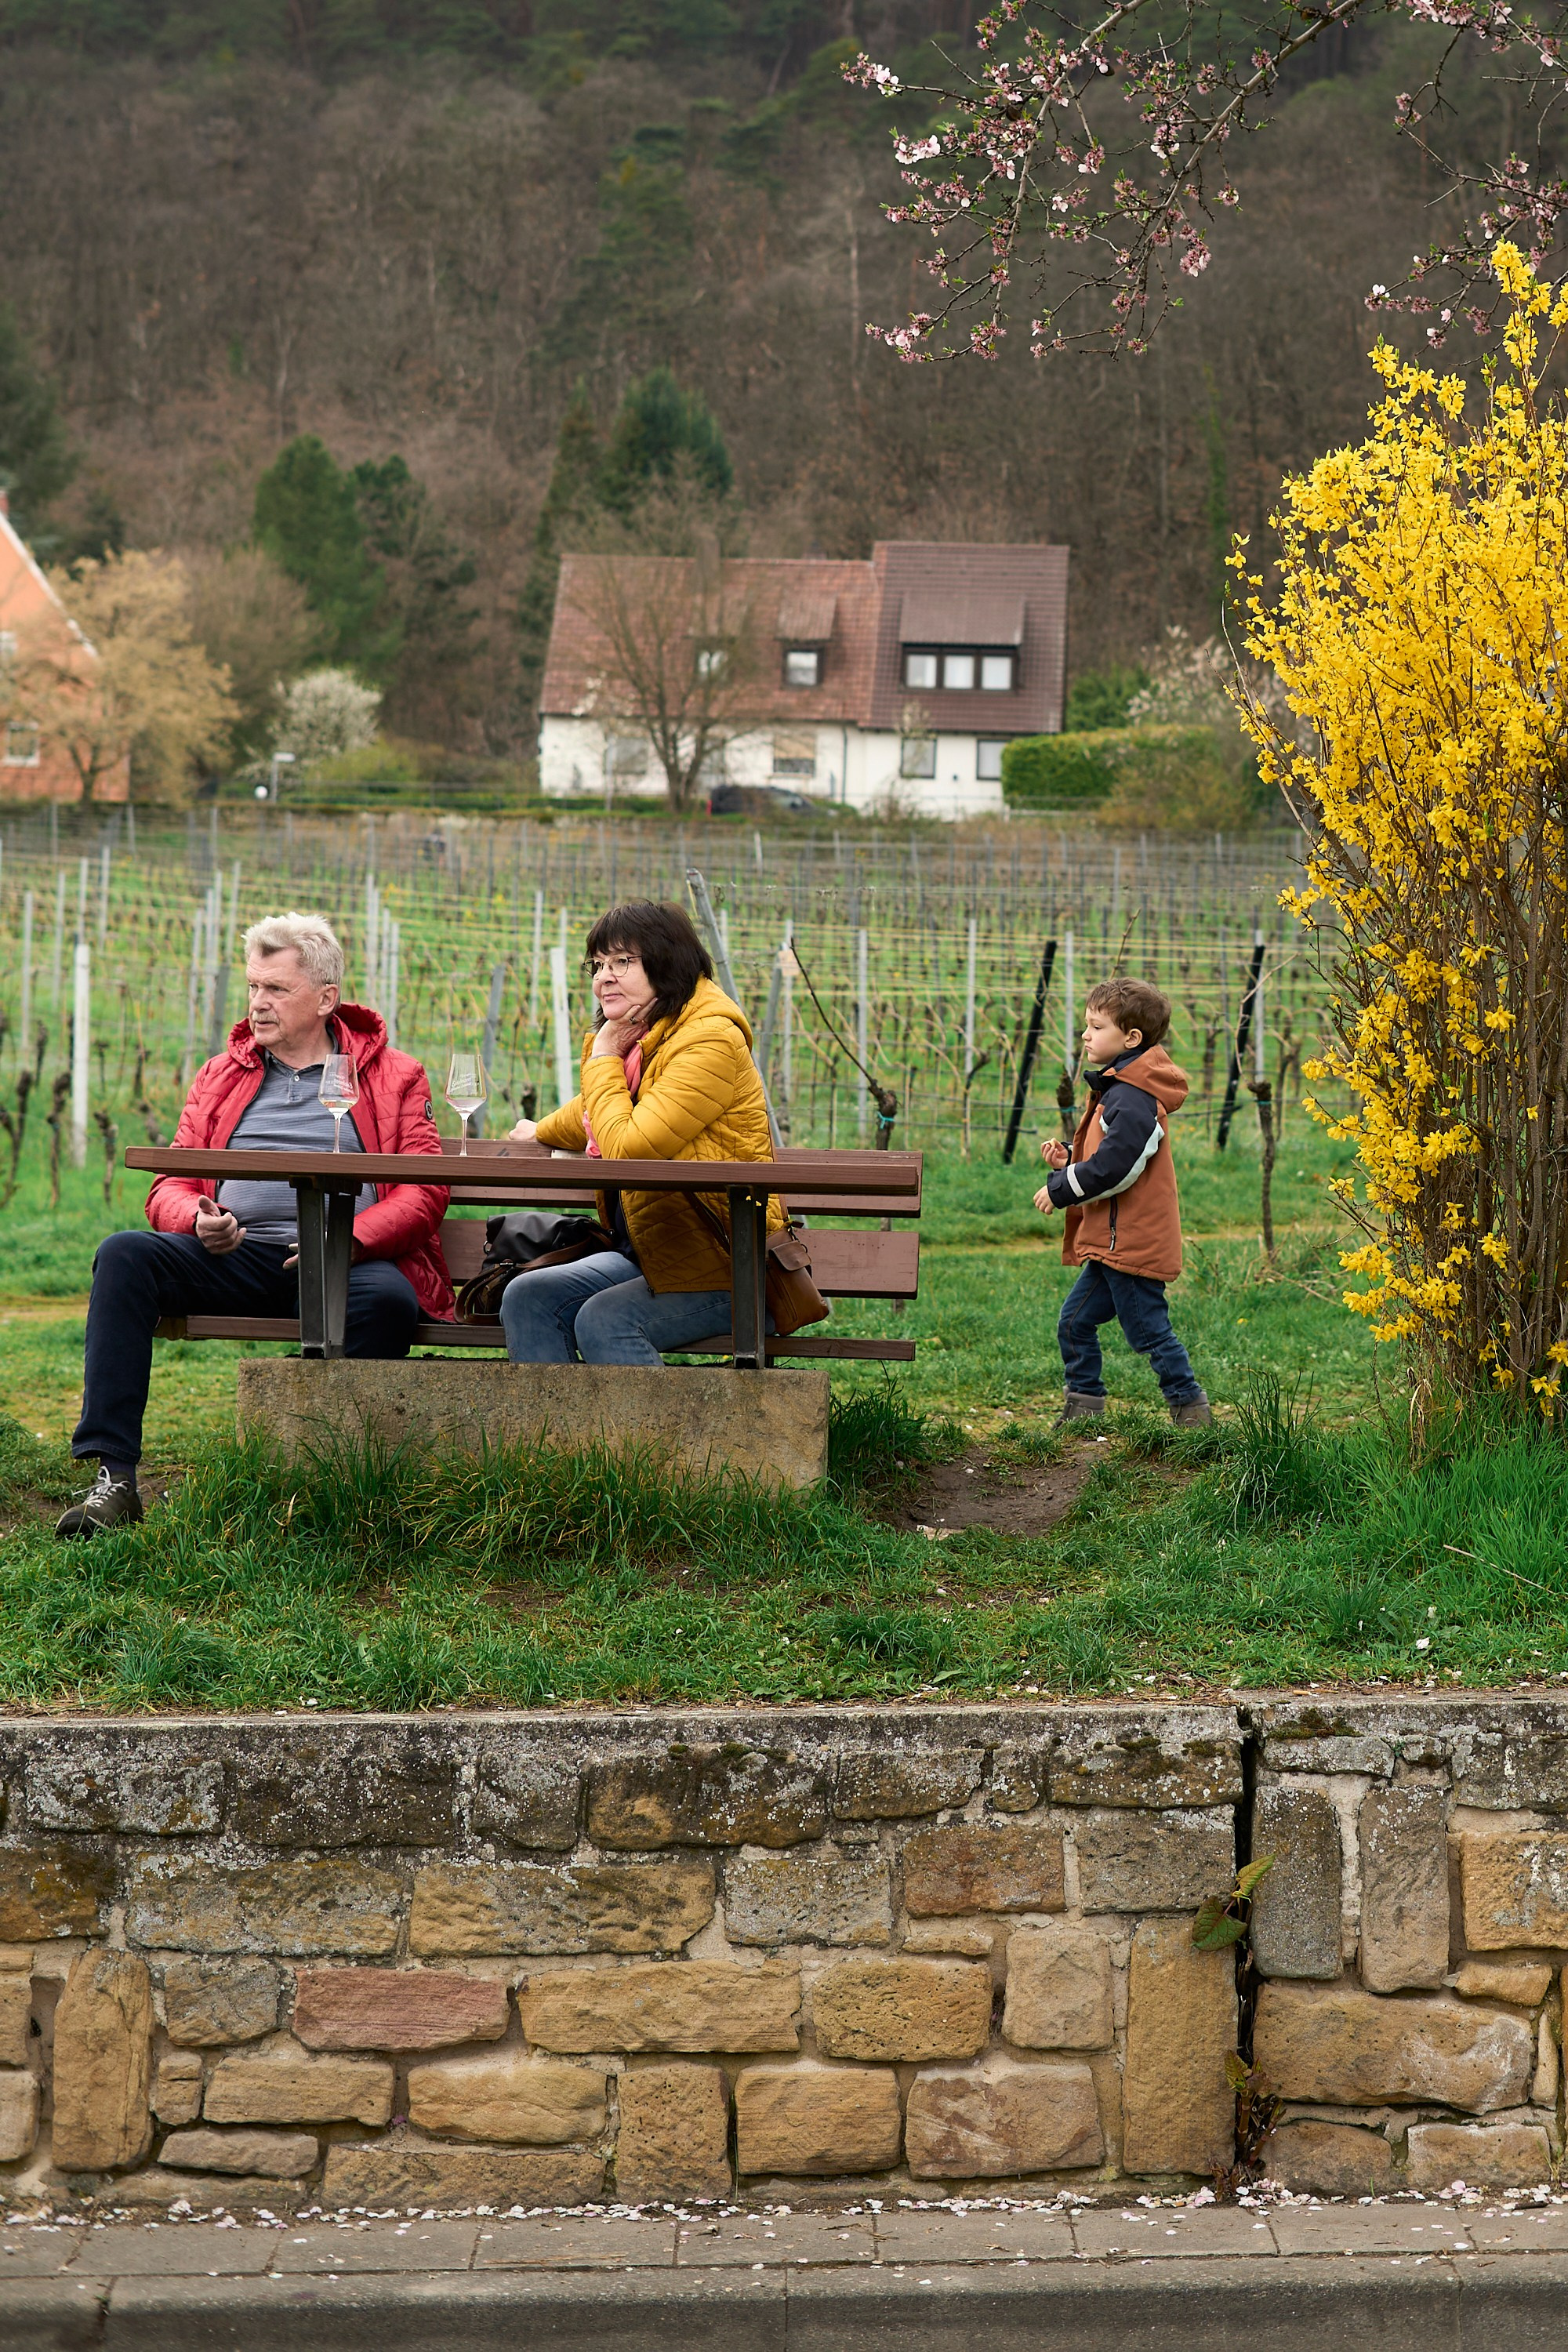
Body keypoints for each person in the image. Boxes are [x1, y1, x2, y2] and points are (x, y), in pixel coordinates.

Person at [57, 911, 453, 1538]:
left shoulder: (391, 1074)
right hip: (233, 1257)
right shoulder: (221, 1073)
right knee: (125, 1256)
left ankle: (319, 1479)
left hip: (341, 1262)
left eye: (276, 989)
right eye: (252, 987)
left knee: (388, 1302)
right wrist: (197, 1218)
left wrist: (350, 1240)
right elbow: (172, 1184)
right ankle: (115, 1479)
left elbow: (425, 1188)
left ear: (326, 999)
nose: (258, 1005)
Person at [503, 900, 780, 1364]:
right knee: (528, 1295)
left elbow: (630, 1147)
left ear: (667, 963)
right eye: (599, 964)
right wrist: (540, 1132)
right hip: (656, 1255)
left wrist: (604, 1054)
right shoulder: (651, 1034)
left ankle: (647, 1441)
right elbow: (598, 1111)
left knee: (606, 1320)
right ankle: (554, 1438)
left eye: (622, 962)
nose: (603, 977)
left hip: (727, 1265)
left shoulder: (708, 1039)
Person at [1035, 975, 1212, 1428]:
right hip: (1110, 1244)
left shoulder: (1133, 1096)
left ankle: (1190, 1411)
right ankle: (1084, 1410)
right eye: (1086, 1026)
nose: (1085, 1035)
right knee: (1074, 1322)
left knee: (1149, 1332)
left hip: (1130, 1244)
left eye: (1096, 1027)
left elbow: (1118, 1167)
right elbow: (1113, 1156)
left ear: (1130, 1038)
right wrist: (1071, 1159)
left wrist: (1061, 1187)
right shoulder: (1119, 1088)